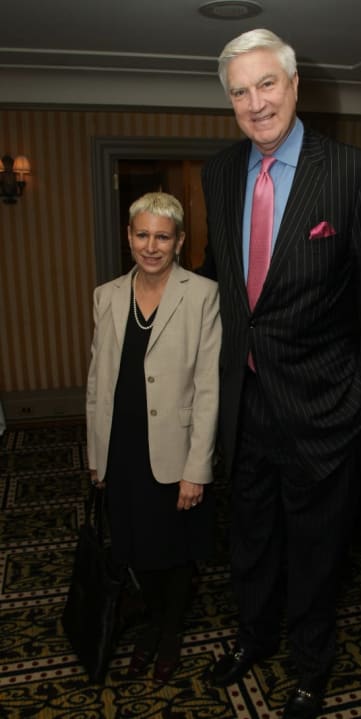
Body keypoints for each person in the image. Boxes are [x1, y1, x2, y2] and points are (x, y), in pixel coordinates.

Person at [200, 29, 361, 719]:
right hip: (246, 402)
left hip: (324, 411)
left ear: (294, 86)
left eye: (266, 84)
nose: (255, 103)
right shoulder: (218, 172)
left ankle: (311, 667)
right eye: (239, 91)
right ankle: (252, 638)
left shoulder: (353, 174)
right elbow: (225, 277)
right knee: (249, 539)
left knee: (316, 555)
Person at [85, 191, 221, 683]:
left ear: (180, 241)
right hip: (121, 450)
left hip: (173, 452)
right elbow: (98, 381)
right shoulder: (106, 295)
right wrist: (96, 454)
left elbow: (209, 389)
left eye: (162, 236)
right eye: (142, 234)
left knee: (174, 552)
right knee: (133, 548)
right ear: (128, 236)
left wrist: (196, 468)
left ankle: (167, 634)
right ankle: (148, 625)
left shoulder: (203, 294)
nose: (151, 246)